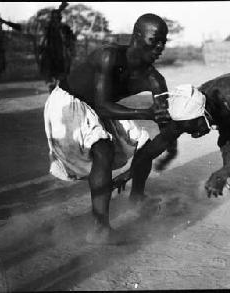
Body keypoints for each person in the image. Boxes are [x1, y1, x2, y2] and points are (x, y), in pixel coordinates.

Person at [113, 71, 230, 247]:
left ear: (203, 114)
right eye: (188, 130)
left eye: (194, 128)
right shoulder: (187, 112)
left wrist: (223, 172)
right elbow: (155, 146)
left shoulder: (227, 94)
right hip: (229, 120)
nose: (194, 134)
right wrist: (130, 173)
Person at [44, 13, 174, 244]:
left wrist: (171, 144)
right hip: (69, 101)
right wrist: (145, 114)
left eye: (164, 41)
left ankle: (137, 198)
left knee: (143, 141)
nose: (160, 47)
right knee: (103, 149)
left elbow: (165, 125)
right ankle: (100, 227)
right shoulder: (108, 56)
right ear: (137, 35)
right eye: (155, 40)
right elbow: (104, 107)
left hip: (99, 106)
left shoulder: (156, 80)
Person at [38, 1, 76, 93]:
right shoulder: (48, 27)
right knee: (48, 66)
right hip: (51, 53)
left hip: (61, 53)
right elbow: (42, 39)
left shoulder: (64, 28)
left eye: (57, 17)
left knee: (62, 71)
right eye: (54, 17)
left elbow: (71, 39)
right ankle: (52, 84)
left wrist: (70, 47)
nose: (56, 19)